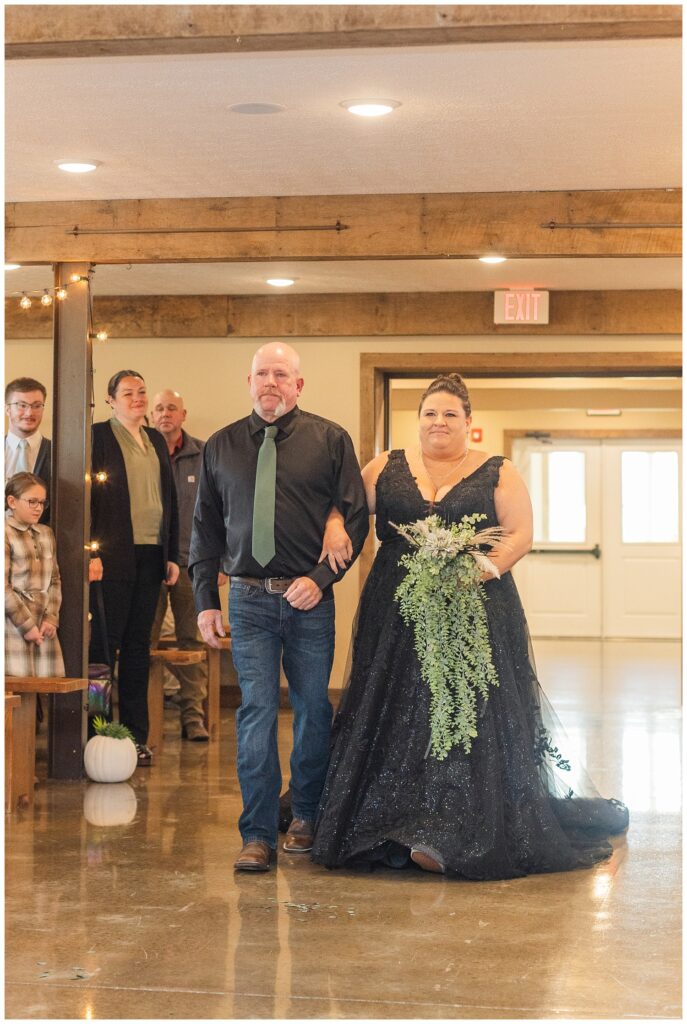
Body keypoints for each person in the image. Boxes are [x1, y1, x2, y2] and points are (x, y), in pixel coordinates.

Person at [312, 373, 629, 878]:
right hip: (397, 610)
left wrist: (481, 568)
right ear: (418, 420)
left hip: (476, 608)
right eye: (430, 414)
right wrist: (333, 522)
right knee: (394, 705)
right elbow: (345, 504)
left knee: (467, 710)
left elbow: (521, 532)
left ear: (468, 423)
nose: (439, 422)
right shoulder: (384, 466)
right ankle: (390, 820)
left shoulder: (497, 470)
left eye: (450, 414)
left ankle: (453, 828)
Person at [189, 342, 369, 873]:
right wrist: (204, 602)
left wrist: (321, 578)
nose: (271, 382)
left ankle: (307, 816)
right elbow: (203, 530)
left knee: (314, 710)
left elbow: (356, 519)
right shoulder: (220, 446)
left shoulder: (331, 439)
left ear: (298, 385)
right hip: (247, 601)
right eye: (262, 373)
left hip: (311, 601)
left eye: (281, 374)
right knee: (256, 714)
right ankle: (258, 834)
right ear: (249, 383)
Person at [88, 370, 180, 767]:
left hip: (150, 555)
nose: (137, 398)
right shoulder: (98, 437)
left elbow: (170, 500)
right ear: (111, 400)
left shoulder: (156, 439)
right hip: (110, 557)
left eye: (142, 392)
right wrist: (89, 552)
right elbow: (88, 496)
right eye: (128, 393)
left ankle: (135, 737)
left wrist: (171, 554)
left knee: (140, 650)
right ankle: (98, 732)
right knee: (103, 651)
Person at [150, 388, 218, 742]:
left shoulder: (204, 453)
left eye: (171, 408)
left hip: (193, 565)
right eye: (158, 408)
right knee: (143, 643)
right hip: (151, 564)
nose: (165, 414)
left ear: (183, 414)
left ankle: (193, 718)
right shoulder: (143, 451)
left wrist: (219, 561)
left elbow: (222, 510)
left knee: (192, 642)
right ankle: (146, 718)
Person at [5, 472, 64, 678]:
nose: (38, 508)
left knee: (45, 692)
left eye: (42, 502)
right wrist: (26, 625)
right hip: (13, 624)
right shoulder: (5, 532)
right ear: (12, 501)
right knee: (18, 691)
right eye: (32, 502)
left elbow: (54, 580)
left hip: (43, 623)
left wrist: (51, 617)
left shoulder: (46, 533)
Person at [5, 377, 51, 524]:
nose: (29, 413)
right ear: (7, 409)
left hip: (43, 543)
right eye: (21, 405)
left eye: (37, 405)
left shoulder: (58, 454)